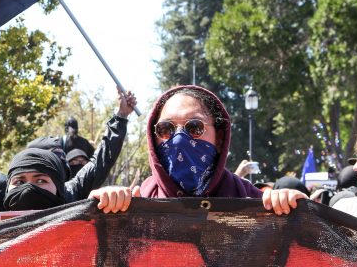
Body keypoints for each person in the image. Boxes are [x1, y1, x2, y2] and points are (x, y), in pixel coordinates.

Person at [87, 85, 306, 215]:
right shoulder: (136, 202)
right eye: (166, 129)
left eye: (194, 127)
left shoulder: (255, 203)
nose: (179, 139)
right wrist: (102, 208)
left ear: (219, 138)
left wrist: (294, 209)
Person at [4, 91, 137, 211]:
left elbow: (101, 160)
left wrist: (121, 115)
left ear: (58, 184)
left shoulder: (71, 194)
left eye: (41, 181)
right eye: (19, 182)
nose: (29, 190)